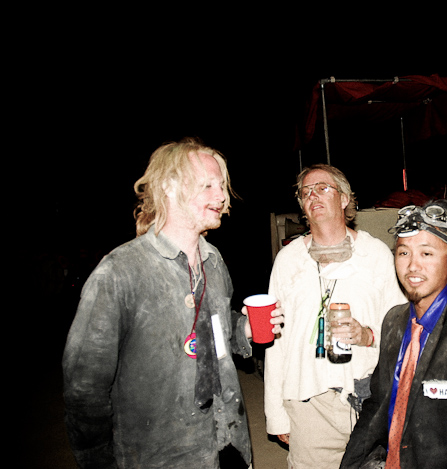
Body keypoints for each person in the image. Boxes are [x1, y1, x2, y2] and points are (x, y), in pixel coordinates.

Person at [62, 137, 284, 468]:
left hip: (228, 443)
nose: (221, 196)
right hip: (159, 455)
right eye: (207, 185)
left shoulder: (213, 261)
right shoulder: (121, 271)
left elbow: (216, 327)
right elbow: (84, 390)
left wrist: (245, 328)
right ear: (168, 186)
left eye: (221, 185)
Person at [341, 200, 447, 468]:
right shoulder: (393, 322)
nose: (412, 266)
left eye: (426, 254)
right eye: (403, 253)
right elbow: (376, 405)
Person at [264, 164, 406, 468]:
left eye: (323, 188)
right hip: (308, 403)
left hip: (367, 399)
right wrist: (275, 414)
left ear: (344, 199)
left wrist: (368, 336)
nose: (313, 195)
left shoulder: (376, 255)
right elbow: (276, 341)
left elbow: (400, 332)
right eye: (306, 192)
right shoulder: (289, 261)